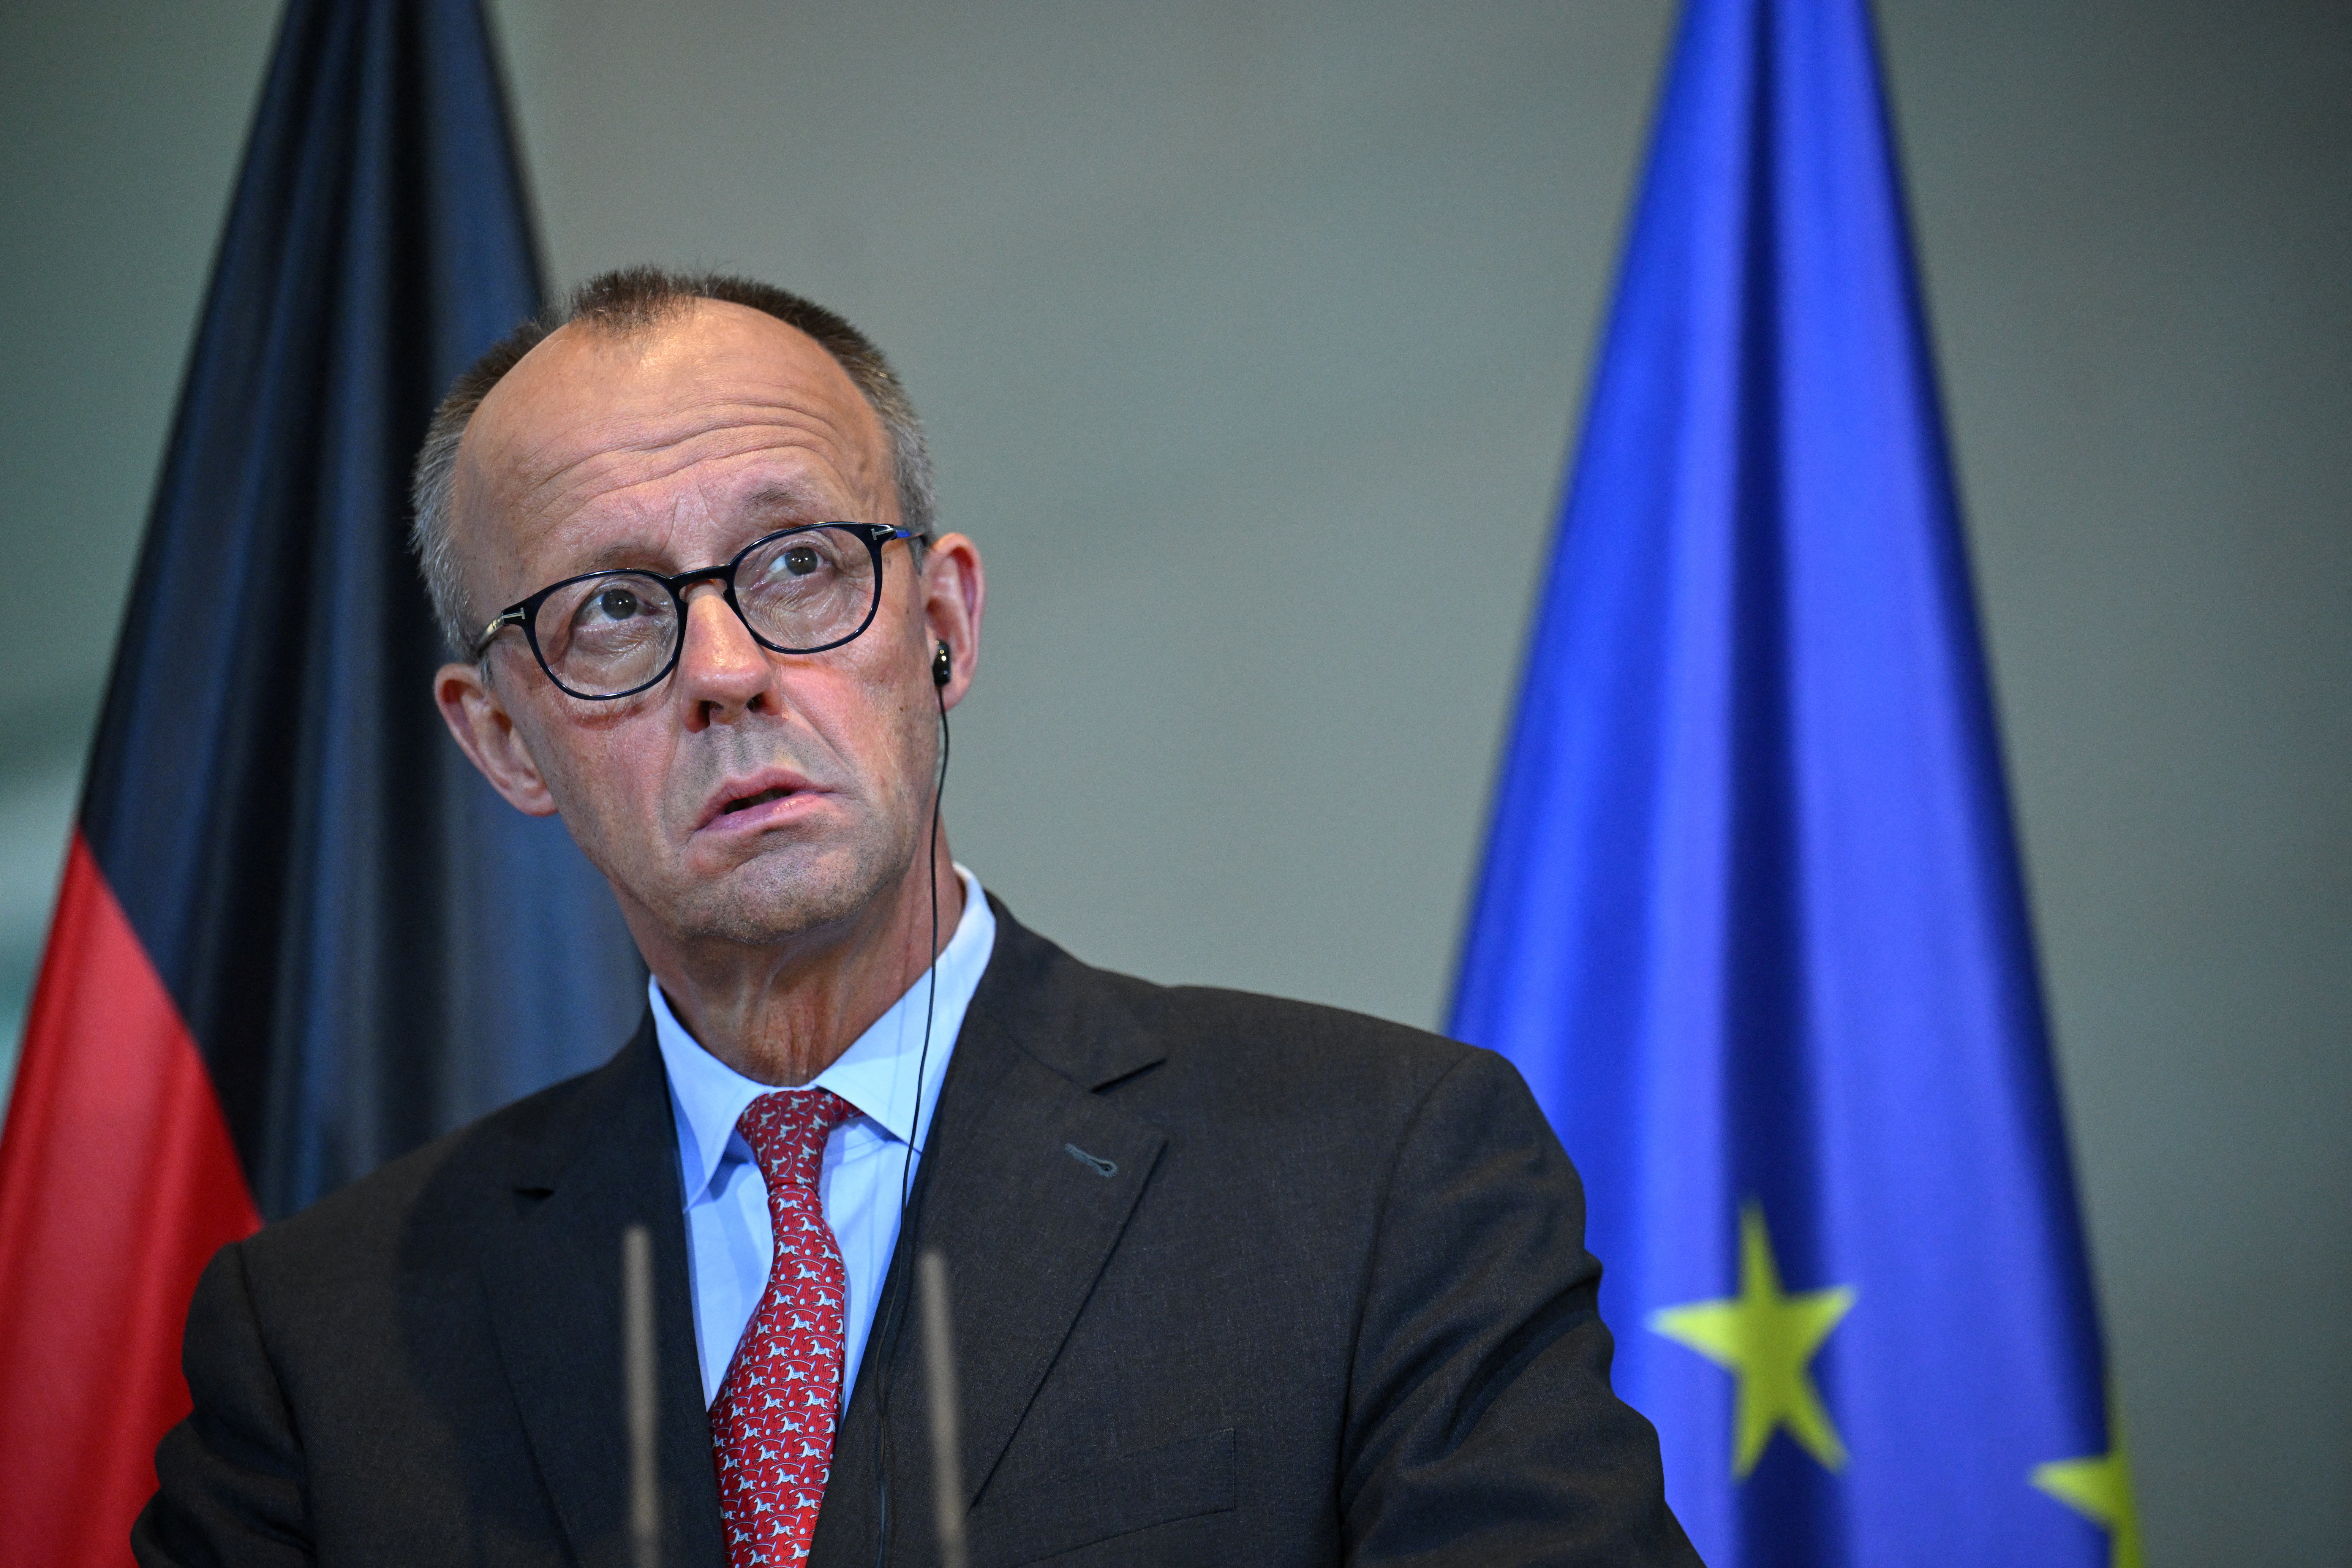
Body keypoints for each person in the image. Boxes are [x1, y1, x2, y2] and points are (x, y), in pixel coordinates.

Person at [135, 268, 1699, 1568]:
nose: (727, 669)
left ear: (940, 625)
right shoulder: (322, 1345)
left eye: (801, 563)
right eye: (610, 607)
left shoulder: (1375, 1172)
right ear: (501, 740)